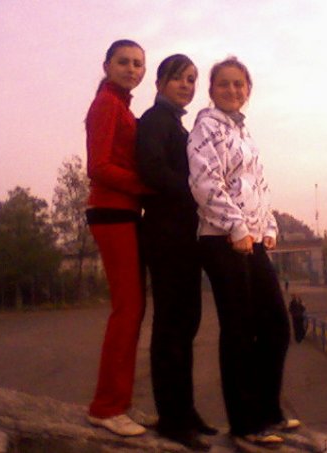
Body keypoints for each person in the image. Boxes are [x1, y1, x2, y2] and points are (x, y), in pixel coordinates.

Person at [187, 57, 301, 446]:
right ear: (212, 90)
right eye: (224, 84)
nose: (232, 90)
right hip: (221, 238)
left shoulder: (243, 133)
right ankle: (245, 423)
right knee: (238, 329)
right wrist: (236, 226)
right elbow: (204, 182)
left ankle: (269, 410)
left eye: (239, 84)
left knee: (276, 325)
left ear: (248, 90)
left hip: (250, 239)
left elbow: (259, 186)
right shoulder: (206, 127)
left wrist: (268, 226)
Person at [136, 54, 216, 451]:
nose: (186, 85)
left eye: (191, 79)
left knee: (187, 324)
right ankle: (171, 418)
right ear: (160, 82)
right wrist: (194, 193)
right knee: (171, 326)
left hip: (185, 236)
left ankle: (185, 410)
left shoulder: (177, 125)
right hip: (166, 235)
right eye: (179, 78)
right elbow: (151, 171)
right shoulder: (154, 120)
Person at [84, 39, 151, 437]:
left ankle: (119, 402)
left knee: (133, 309)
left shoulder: (122, 106)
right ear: (107, 65)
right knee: (127, 310)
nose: (131, 69)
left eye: (138, 64)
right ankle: (105, 407)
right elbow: (98, 167)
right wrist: (147, 186)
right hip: (111, 212)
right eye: (123, 62)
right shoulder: (107, 104)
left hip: (125, 212)